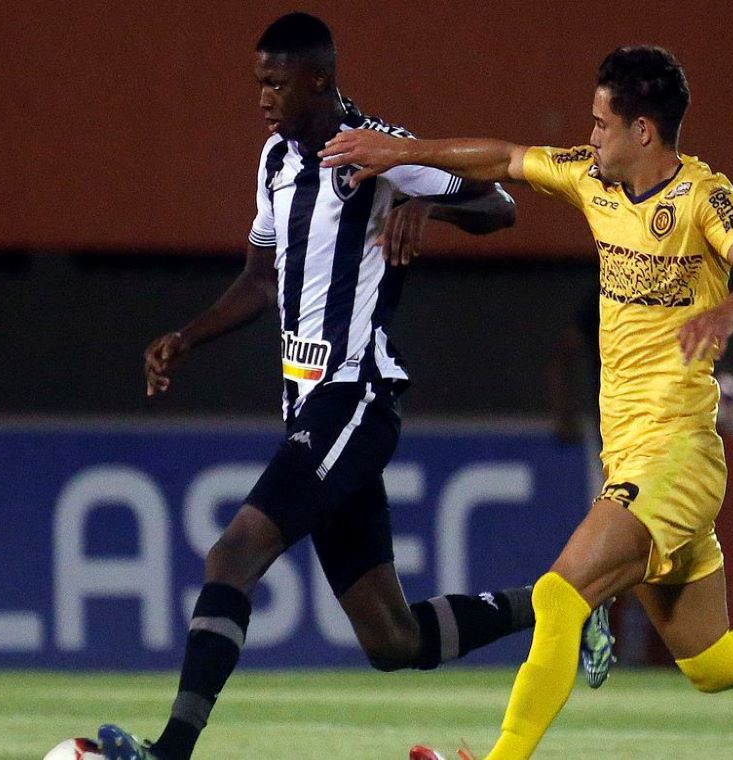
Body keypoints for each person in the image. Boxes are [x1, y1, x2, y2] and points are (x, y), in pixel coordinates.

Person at [321, 45, 733, 759]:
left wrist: (729, 310)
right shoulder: (592, 180)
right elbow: (504, 159)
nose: (590, 136)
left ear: (642, 131)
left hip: (676, 456)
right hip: (634, 458)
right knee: (711, 660)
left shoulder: (703, 199)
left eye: (601, 123)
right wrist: (401, 151)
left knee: (559, 594)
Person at [95, 13, 607, 760]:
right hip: (310, 407)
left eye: (277, 84)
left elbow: (501, 206)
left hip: (354, 395)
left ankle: (171, 749)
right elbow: (260, 277)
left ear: (320, 81)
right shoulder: (276, 159)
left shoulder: (378, 149)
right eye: (259, 82)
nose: (263, 98)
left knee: (233, 555)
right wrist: (187, 336)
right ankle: (562, 603)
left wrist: (424, 203)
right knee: (392, 639)